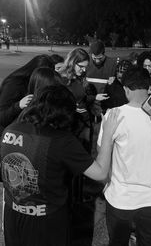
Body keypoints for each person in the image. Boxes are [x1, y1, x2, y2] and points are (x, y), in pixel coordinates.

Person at [1, 85, 121, 246]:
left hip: (13, 215)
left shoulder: (11, 130)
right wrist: (107, 135)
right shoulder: (61, 140)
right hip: (46, 222)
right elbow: (100, 174)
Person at [98, 66, 151, 246]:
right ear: (148, 87)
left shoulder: (114, 114)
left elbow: (102, 156)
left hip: (122, 197)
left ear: (126, 89)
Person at [0, 54, 54, 128]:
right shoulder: (15, 84)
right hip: (9, 131)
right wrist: (18, 105)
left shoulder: (37, 83)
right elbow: (2, 117)